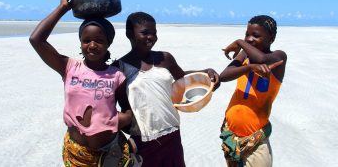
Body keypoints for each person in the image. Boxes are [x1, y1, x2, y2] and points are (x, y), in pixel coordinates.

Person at [29, 0, 134, 167]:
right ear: (80, 42)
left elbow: (128, 110)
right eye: (86, 40)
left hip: (109, 153)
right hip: (75, 154)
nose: (92, 45)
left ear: (108, 43)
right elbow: (36, 40)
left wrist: (116, 120)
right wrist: (63, 8)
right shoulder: (69, 67)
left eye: (99, 40)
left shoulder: (116, 75)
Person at [113, 11, 220, 167]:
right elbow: (110, 107)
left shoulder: (165, 58)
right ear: (129, 34)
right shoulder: (119, 68)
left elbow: (183, 78)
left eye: (154, 33)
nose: (151, 37)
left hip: (172, 134)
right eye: (145, 32)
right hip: (143, 139)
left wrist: (206, 72)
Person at [219, 15, 287, 167]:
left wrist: (239, 42)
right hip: (231, 135)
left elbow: (262, 59)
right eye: (246, 35)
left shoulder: (278, 57)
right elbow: (223, 76)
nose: (249, 39)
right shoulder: (245, 56)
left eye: (256, 36)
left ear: (272, 38)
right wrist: (248, 67)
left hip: (255, 141)